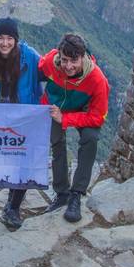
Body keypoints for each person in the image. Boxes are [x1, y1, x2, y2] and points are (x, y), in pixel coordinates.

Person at [40, 34, 110, 223]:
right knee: (56, 142)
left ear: (83, 56)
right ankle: (62, 192)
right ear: (59, 56)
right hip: (55, 108)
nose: (68, 66)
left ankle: (76, 194)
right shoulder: (50, 62)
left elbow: (98, 117)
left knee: (90, 139)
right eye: (64, 60)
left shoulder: (97, 79)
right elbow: (37, 69)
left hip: (84, 110)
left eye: (74, 60)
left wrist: (67, 119)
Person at [0, 17, 43, 230]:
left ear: (16, 40)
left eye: (10, 38)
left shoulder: (29, 57)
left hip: (25, 118)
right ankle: (6, 196)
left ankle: (14, 206)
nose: (5, 43)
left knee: (23, 162)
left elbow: (52, 72)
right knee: (8, 161)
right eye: (0, 38)